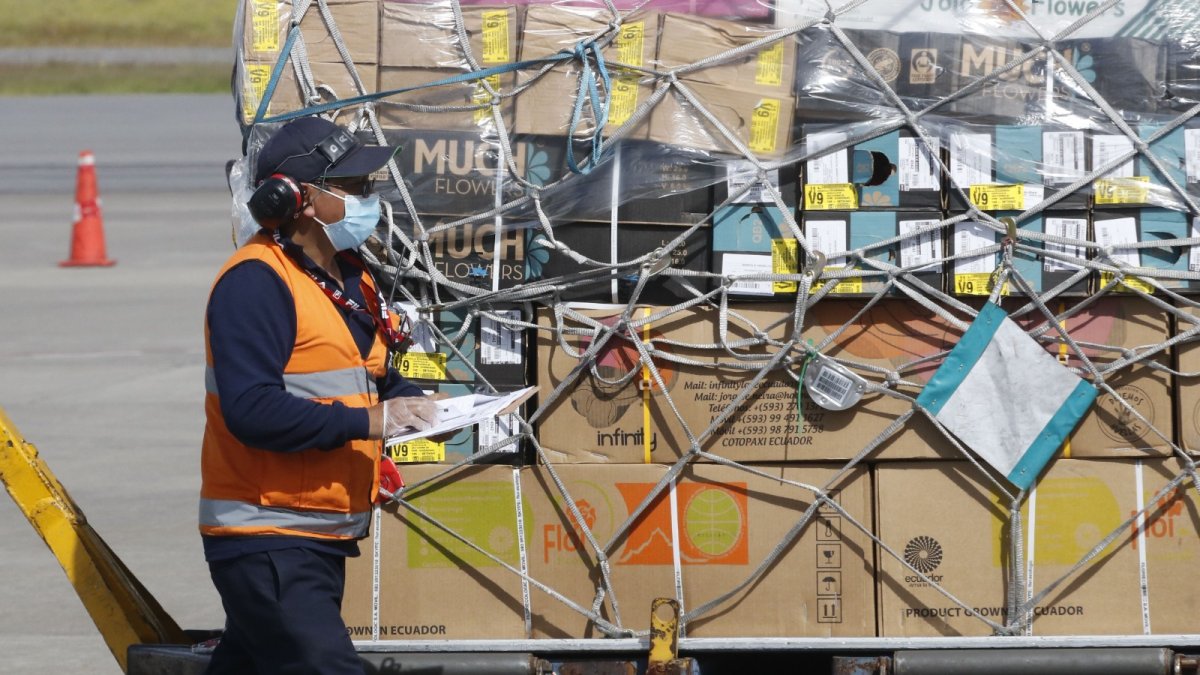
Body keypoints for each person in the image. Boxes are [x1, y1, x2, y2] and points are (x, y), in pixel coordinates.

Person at [199, 116, 437, 674]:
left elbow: (369, 375)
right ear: (298, 199)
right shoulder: (255, 283)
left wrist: (417, 403)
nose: (368, 198)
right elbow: (250, 410)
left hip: (319, 532)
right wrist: (370, 421)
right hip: (266, 535)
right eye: (353, 187)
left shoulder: (350, 275)